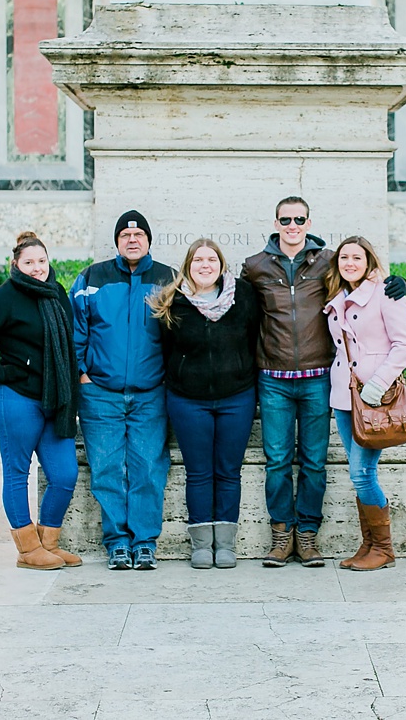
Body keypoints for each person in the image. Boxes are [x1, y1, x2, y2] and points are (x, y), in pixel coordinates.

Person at [241, 196, 406, 568]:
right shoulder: (255, 267)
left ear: (309, 221)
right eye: (286, 219)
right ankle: (282, 536)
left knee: (315, 462)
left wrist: (396, 281)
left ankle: (308, 537)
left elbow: (363, 276)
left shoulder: (328, 261)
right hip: (274, 379)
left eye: (299, 219)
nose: (292, 225)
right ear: (276, 222)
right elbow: (239, 309)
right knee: (278, 461)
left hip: (319, 379)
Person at [0, 231, 80, 572]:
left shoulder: (56, 293)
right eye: (29, 263)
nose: (37, 268)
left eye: (41, 261)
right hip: (17, 398)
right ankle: (27, 549)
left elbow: (67, 344)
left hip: (54, 399)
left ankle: (48, 543)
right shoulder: (6, 297)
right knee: (17, 472)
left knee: (65, 473)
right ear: (16, 265)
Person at [70, 211, 176, 571]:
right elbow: (76, 331)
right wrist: (82, 374)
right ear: (117, 241)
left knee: (148, 467)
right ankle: (117, 543)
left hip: (150, 393)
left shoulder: (167, 278)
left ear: (148, 240)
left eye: (139, 234)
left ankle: (144, 543)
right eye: (126, 234)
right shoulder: (91, 278)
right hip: (101, 393)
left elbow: (179, 333)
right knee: (106, 469)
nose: (133, 239)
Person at [151, 239, 261, 569]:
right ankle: (201, 544)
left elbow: (255, 337)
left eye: (211, 259)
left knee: (228, 472)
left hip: (236, 398)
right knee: (199, 473)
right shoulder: (173, 301)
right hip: (188, 401)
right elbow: (165, 348)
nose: (205, 265)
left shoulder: (243, 295)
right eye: (198, 260)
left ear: (221, 264)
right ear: (188, 266)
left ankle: (225, 545)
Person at [324, 235, 406, 572]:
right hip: (344, 396)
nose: (349, 263)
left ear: (369, 262)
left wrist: (376, 386)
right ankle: (370, 545)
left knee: (362, 474)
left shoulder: (387, 293)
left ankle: (384, 548)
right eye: (344, 257)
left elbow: (404, 345)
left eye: (356, 258)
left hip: (373, 396)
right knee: (358, 472)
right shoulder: (338, 296)